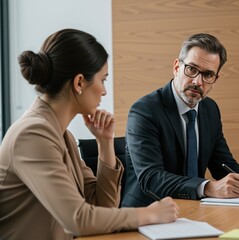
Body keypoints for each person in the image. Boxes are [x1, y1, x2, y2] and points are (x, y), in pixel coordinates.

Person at [0, 29, 179, 240]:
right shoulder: (33, 135)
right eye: (102, 80)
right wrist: (149, 213)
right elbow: (79, 220)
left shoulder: (60, 134)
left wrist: (105, 142)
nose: (104, 91)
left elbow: (102, 206)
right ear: (79, 83)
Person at [122, 33, 239, 207]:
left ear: (215, 80)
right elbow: (151, 178)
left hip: (193, 209)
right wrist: (208, 188)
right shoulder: (145, 111)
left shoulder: (209, 109)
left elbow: (223, 164)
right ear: (176, 67)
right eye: (191, 69)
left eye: (208, 75)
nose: (198, 81)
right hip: (145, 214)